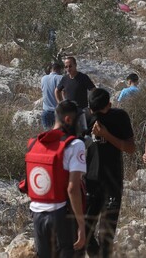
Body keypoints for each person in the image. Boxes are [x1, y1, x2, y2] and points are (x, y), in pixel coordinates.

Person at [25, 100, 87, 257]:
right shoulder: (74, 145)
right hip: (61, 215)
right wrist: (81, 224)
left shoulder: (34, 143)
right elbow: (72, 189)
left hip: (37, 214)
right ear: (68, 120)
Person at [85, 89, 135, 257]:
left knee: (106, 235)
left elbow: (130, 148)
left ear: (109, 105)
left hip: (112, 182)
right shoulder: (84, 116)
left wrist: (106, 134)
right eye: (93, 111)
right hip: (89, 182)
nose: (95, 115)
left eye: (99, 111)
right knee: (84, 231)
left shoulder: (120, 117)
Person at [55, 56, 96, 133]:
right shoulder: (65, 78)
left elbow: (93, 90)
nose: (68, 68)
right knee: (70, 133)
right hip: (69, 113)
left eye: (70, 66)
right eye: (66, 67)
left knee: (84, 133)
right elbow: (57, 91)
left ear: (75, 65)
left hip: (82, 111)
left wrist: (92, 106)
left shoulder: (83, 77)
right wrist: (60, 104)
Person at [41, 61, 64, 130]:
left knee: (47, 136)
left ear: (51, 69)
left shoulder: (43, 78)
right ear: (59, 70)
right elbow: (63, 92)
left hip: (45, 111)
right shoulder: (60, 78)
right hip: (57, 112)